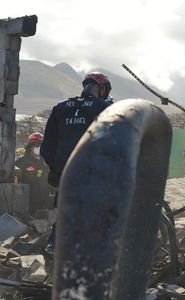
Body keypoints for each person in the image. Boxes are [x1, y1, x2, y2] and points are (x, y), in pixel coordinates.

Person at [40, 72, 112, 254]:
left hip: (65, 171)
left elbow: (47, 147)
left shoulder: (61, 108)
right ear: (102, 89)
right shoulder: (104, 109)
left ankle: (54, 247)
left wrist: (56, 170)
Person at [14, 133, 52, 212]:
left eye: (41, 146)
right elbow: (13, 174)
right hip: (27, 204)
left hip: (44, 203)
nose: (39, 148)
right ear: (30, 147)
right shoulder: (21, 161)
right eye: (37, 145)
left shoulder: (46, 161)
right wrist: (15, 169)